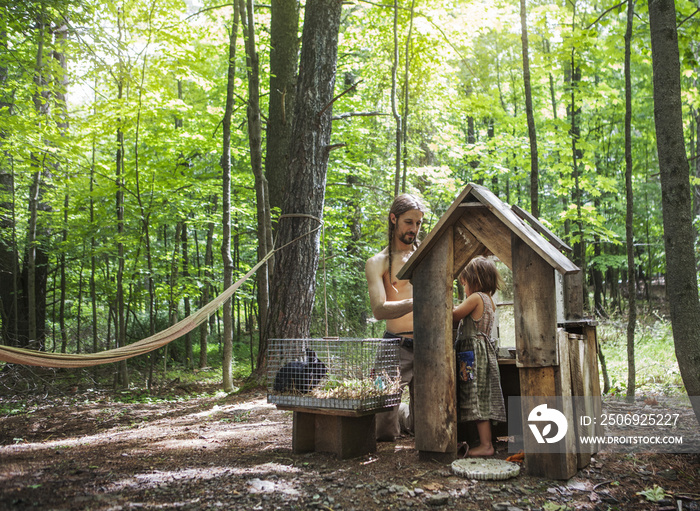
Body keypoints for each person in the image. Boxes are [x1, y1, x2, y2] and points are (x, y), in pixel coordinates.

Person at [365, 193, 426, 441]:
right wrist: (419, 301)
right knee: (383, 429)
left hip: (428, 344)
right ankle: (398, 413)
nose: (414, 229)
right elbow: (379, 310)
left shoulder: (425, 253)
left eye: (419, 223)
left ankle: (407, 416)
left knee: (430, 422)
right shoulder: (378, 262)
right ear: (393, 219)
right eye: (408, 222)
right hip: (394, 346)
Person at [452, 256, 507, 456]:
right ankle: (481, 442)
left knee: (475, 398)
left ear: (475, 280)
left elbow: (454, 315)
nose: (464, 288)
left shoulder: (476, 298)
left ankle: (486, 446)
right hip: (482, 353)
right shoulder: (489, 300)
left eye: (465, 283)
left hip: (472, 355)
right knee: (480, 397)